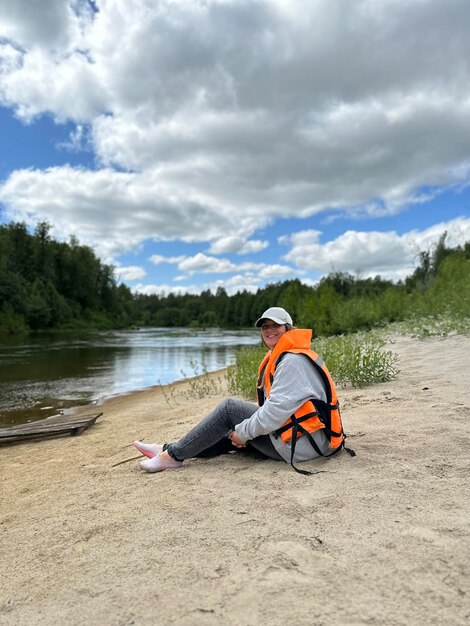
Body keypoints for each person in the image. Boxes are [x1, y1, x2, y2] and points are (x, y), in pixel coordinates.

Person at [134, 307, 352, 475]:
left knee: (230, 410)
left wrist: (244, 433)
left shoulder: (292, 361)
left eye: (275, 325)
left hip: (302, 447)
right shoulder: (291, 356)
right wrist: (244, 431)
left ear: (289, 329)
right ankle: (167, 450)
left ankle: (172, 456)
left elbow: (275, 412)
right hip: (309, 440)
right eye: (265, 326)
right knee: (234, 427)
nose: (269, 330)